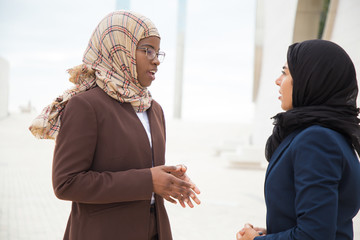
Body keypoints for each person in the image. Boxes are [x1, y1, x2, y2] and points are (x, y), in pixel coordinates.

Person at [29, 11, 200, 240]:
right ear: (120, 50)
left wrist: (170, 182)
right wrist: (149, 181)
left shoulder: (154, 109)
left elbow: (143, 169)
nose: (156, 59)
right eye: (147, 50)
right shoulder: (86, 105)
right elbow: (66, 183)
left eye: (158, 52)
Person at [236, 39, 360, 240]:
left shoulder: (317, 139)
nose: (278, 80)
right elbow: (322, 223)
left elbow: (314, 235)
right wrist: (272, 233)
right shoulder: (333, 134)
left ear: (310, 79)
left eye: (285, 72)